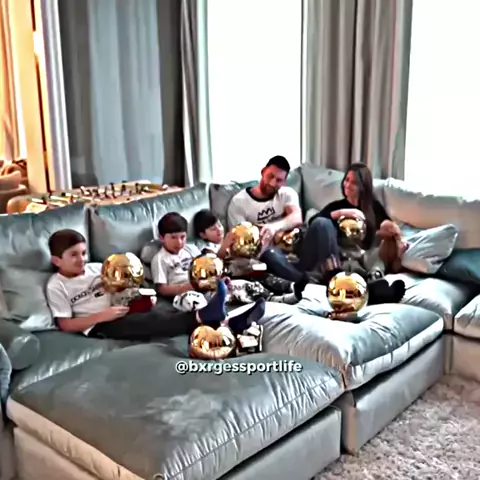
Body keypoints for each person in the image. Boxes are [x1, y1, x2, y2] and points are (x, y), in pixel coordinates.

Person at [45, 229, 265, 341]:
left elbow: (121, 286)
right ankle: (211, 317)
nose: (81, 259)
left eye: (83, 253)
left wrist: (141, 296)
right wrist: (103, 316)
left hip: (123, 307)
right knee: (151, 323)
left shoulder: (96, 268)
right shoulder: (56, 286)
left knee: (163, 311)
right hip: (100, 325)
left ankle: (229, 324)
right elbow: (65, 324)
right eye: (73, 255)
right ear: (56, 260)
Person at [227, 155, 339, 283]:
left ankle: (336, 278)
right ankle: (306, 282)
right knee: (269, 255)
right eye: (270, 176)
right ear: (263, 172)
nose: (273, 183)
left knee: (322, 223)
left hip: (300, 252)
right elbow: (239, 242)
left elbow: (296, 218)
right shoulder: (239, 202)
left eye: (279, 180)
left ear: (284, 182)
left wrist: (274, 227)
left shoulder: (286, 194)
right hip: (272, 257)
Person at [308, 163, 406, 303]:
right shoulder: (336, 206)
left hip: (366, 258)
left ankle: (374, 281)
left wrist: (397, 237)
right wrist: (341, 213)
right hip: (343, 259)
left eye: (353, 182)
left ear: (363, 186)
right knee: (348, 265)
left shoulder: (373, 207)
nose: (347, 185)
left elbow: (388, 225)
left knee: (380, 248)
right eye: (346, 180)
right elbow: (314, 223)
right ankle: (371, 292)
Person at [192, 208, 308, 303]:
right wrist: (225, 245)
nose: (219, 230)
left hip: (249, 268)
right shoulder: (207, 248)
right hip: (236, 276)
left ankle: (293, 286)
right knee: (253, 286)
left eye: (219, 225)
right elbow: (215, 264)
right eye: (213, 229)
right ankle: (279, 299)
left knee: (268, 277)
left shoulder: (234, 237)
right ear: (203, 235)